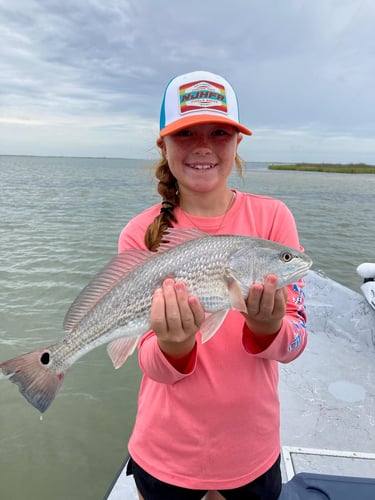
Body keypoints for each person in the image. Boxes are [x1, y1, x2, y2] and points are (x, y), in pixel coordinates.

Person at [118, 70, 308, 500]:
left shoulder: (273, 219)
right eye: (186, 133)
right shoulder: (140, 232)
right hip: (164, 454)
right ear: (162, 145)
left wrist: (268, 330)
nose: (203, 145)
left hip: (252, 454)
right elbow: (149, 362)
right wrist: (175, 345)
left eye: (220, 131)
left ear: (238, 142)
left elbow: (296, 342)